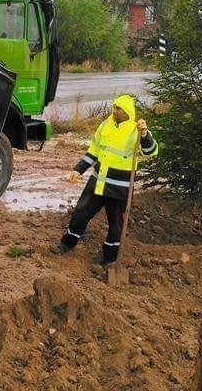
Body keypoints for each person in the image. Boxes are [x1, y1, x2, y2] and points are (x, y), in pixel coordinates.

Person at [51, 94, 158, 267]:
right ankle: (66, 243)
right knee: (80, 212)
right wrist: (79, 170)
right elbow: (94, 150)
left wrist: (145, 133)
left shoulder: (136, 129)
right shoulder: (105, 125)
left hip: (119, 188)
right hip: (98, 182)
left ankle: (109, 258)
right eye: (114, 107)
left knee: (116, 224)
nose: (114, 111)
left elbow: (150, 150)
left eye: (119, 109)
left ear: (127, 112)